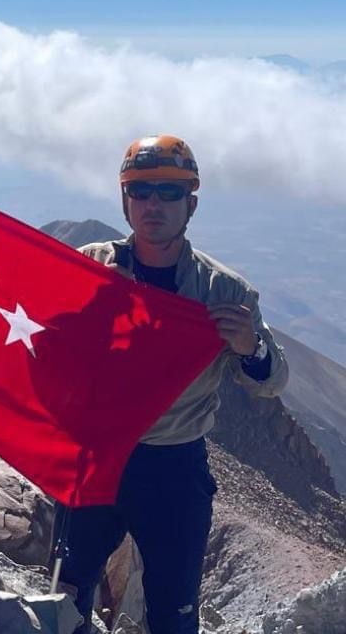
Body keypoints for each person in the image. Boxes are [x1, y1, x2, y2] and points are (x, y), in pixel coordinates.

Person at [54, 134, 288, 634]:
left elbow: (271, 381)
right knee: (67, 592)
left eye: (169, 192)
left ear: (191, 204)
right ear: (125, 200)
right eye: (140, 191)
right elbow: (41, 338)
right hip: (95, 453)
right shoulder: (89, 266)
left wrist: (251, 347)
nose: (153, 204)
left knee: (174, 610)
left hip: (172, 466)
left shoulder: (223, 291)